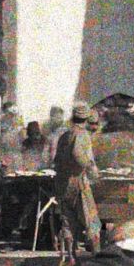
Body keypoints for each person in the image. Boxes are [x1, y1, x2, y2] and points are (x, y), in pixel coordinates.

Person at [47, 102, 102, 254]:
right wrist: (90, 167)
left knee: (68, 221)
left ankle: (69, 256)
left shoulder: (65, 135)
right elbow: (79, 156)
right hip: (78, 183)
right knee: (91, 219)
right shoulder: (82, 135)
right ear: (86, 119)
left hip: (63, 184)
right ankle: (97, 257)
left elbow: (56, 159)